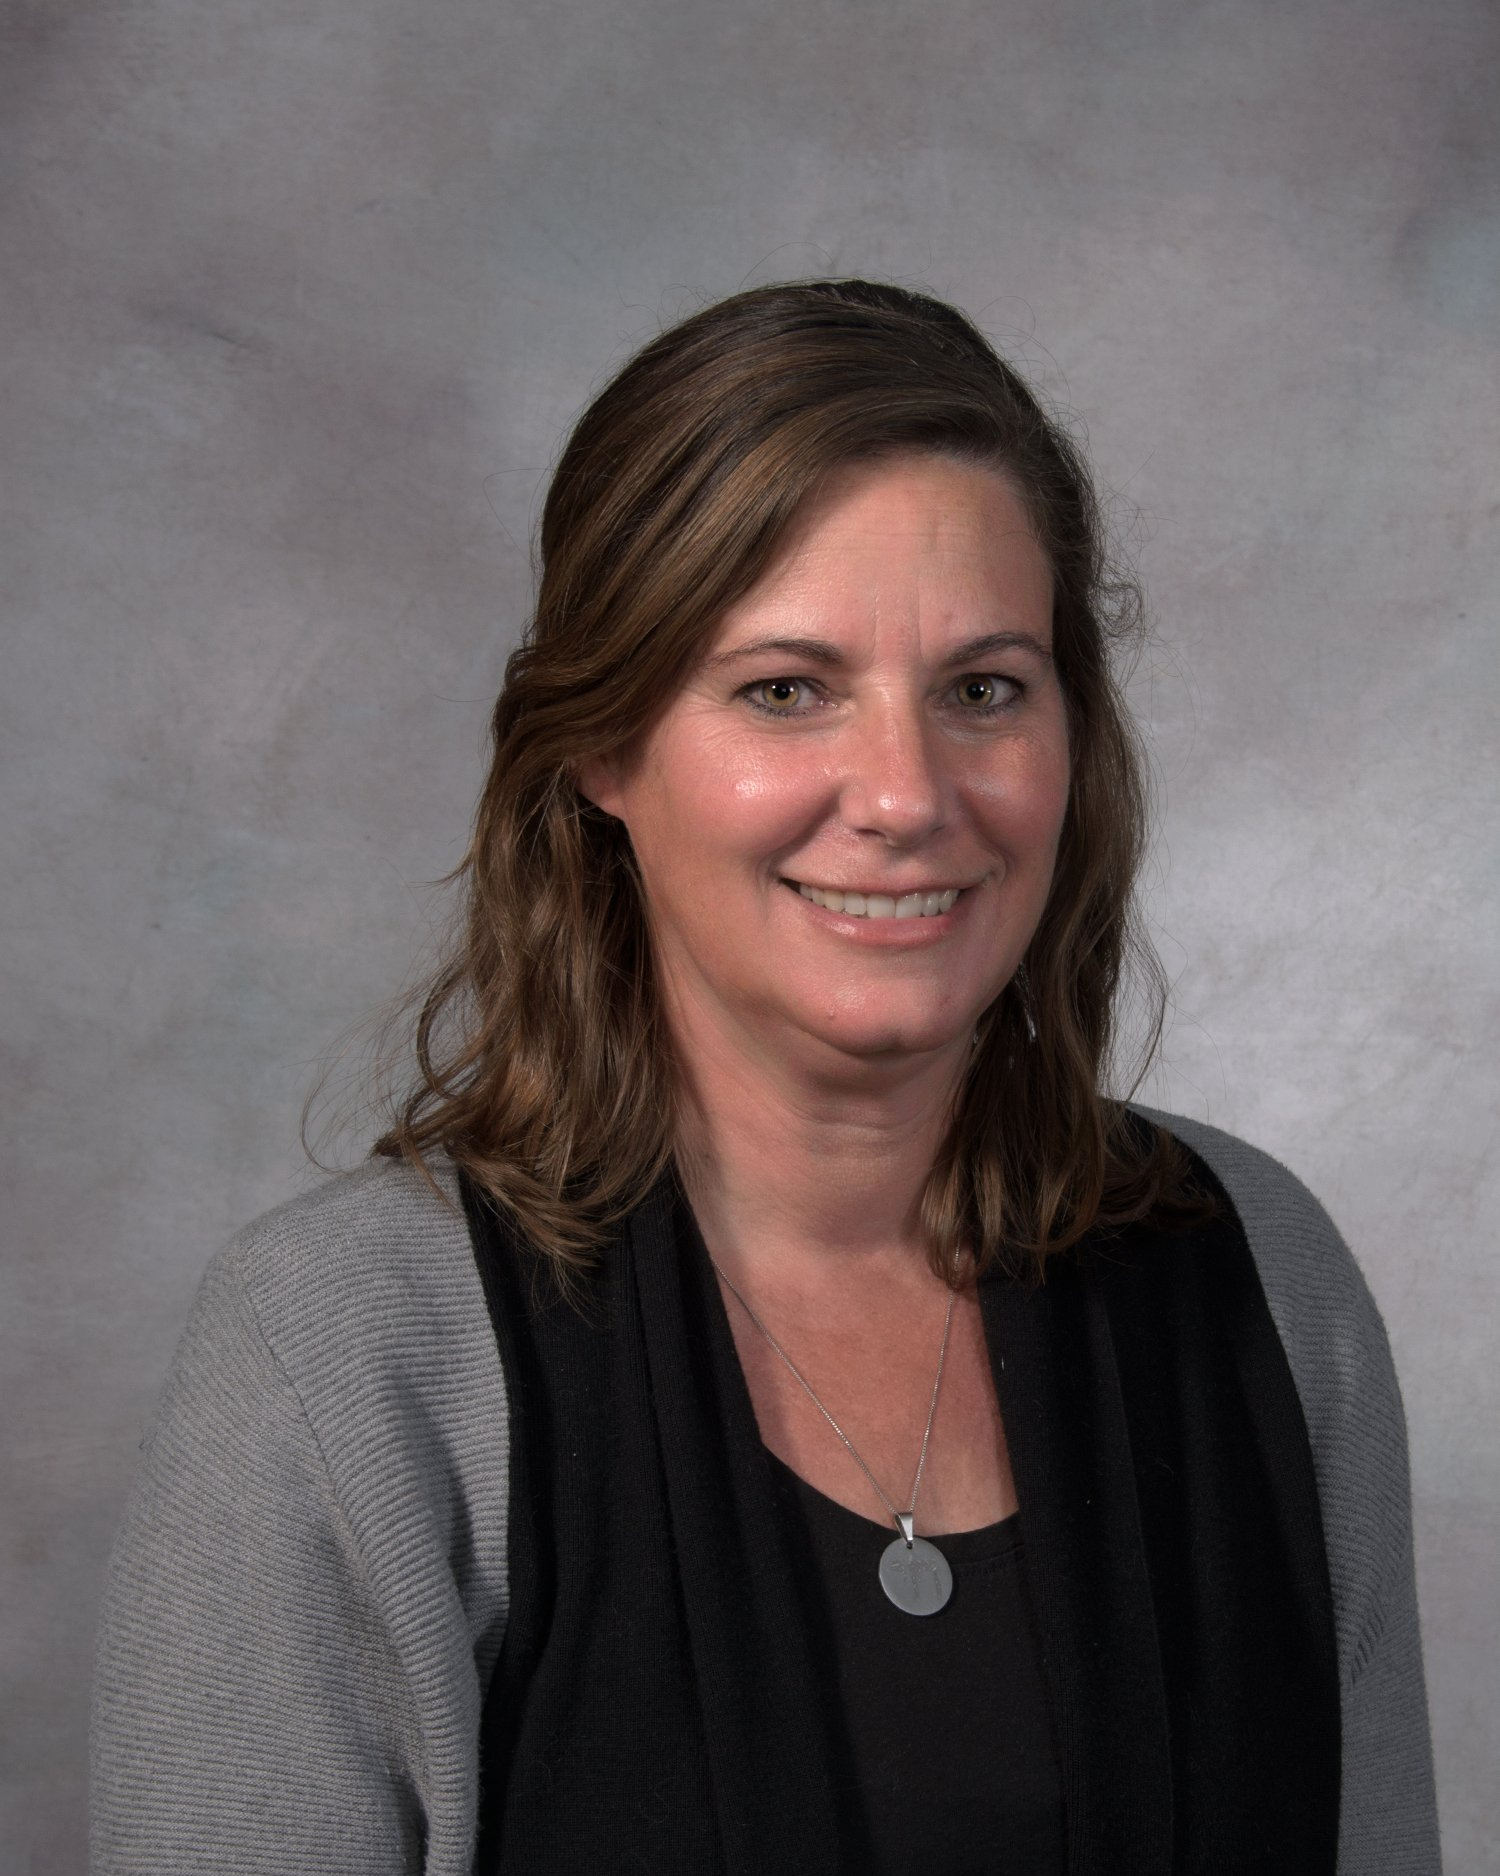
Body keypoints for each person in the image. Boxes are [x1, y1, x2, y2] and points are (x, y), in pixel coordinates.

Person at [90, 280, 1440, 1875]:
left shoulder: (1261, 1279)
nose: (905, 794)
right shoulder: (347, 1356)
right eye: (785, 689)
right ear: (601, 748)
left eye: (983, 690)